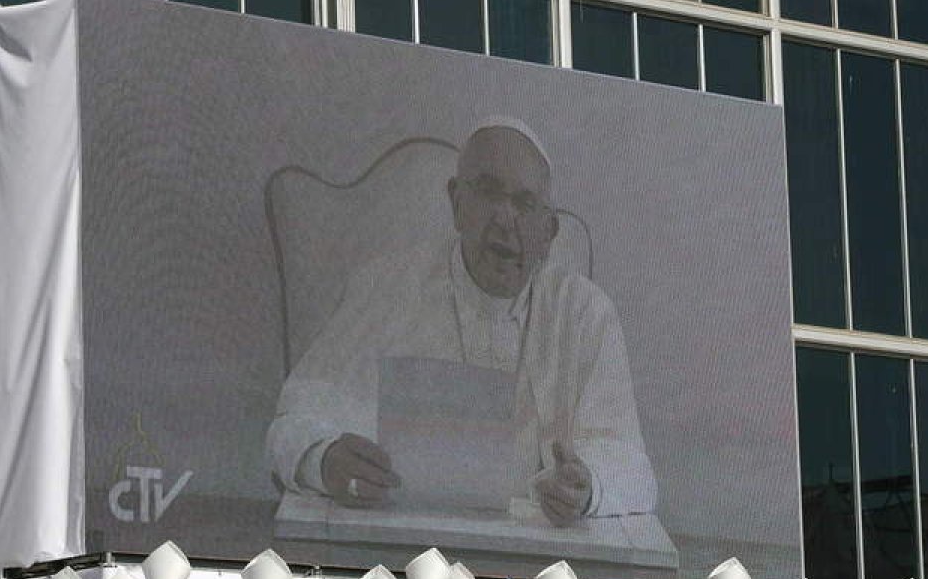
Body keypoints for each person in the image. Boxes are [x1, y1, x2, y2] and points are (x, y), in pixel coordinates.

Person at [265, 119, 657, 526]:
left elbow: (633, 468)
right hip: (397, 547)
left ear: (548, 231)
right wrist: (323, 459)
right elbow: (289, 427)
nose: (505, 219)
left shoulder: (584, 315)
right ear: (456, 203)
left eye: (525, 203)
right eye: (488, 192)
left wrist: (588, 486)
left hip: (536, 557)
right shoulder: (387, 286)